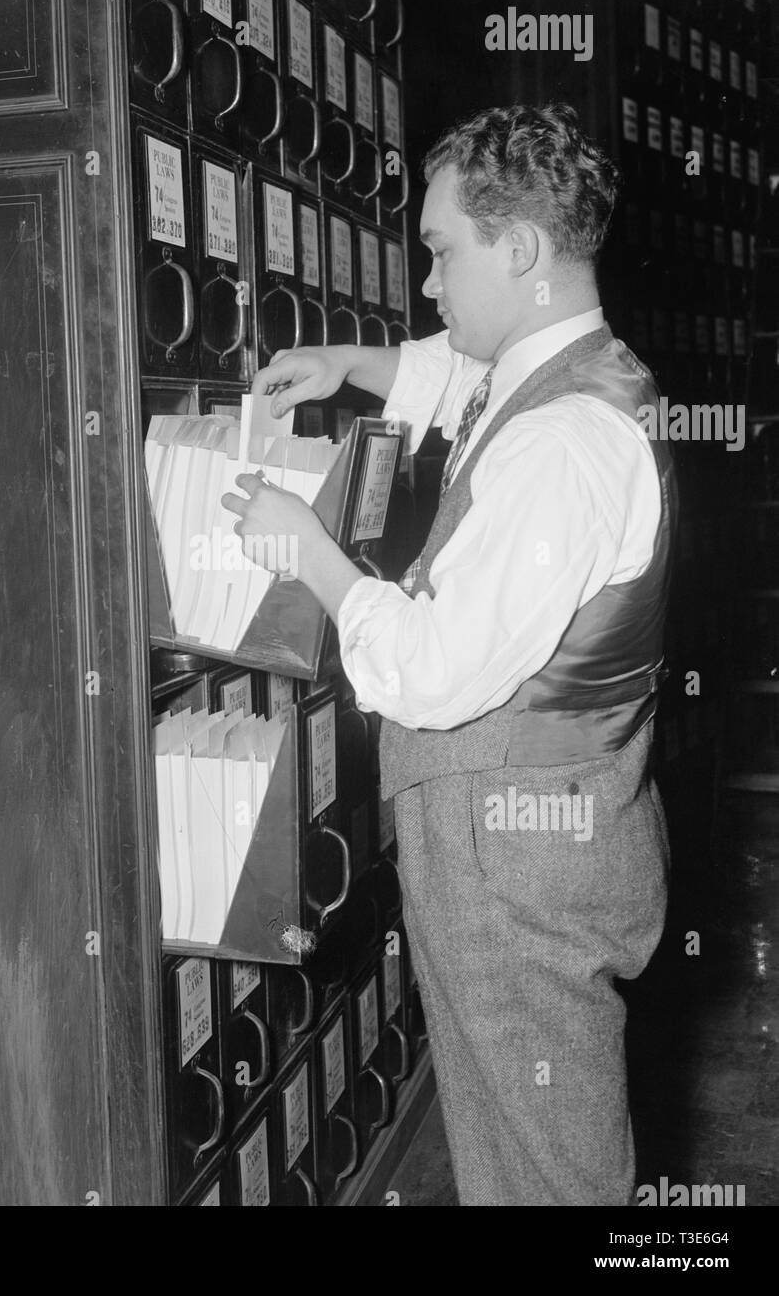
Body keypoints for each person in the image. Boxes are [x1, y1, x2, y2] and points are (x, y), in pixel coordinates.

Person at [223, 102, 676, 1206]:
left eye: (440, 254)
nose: (426, 285)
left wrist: (313, 557)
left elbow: (429, 670)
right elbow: (461, 377)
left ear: (518, 249)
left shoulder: (560, 448)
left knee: (544, 1182)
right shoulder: (573, 369)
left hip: (515, 877)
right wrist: (348, 363)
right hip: (541, 845)